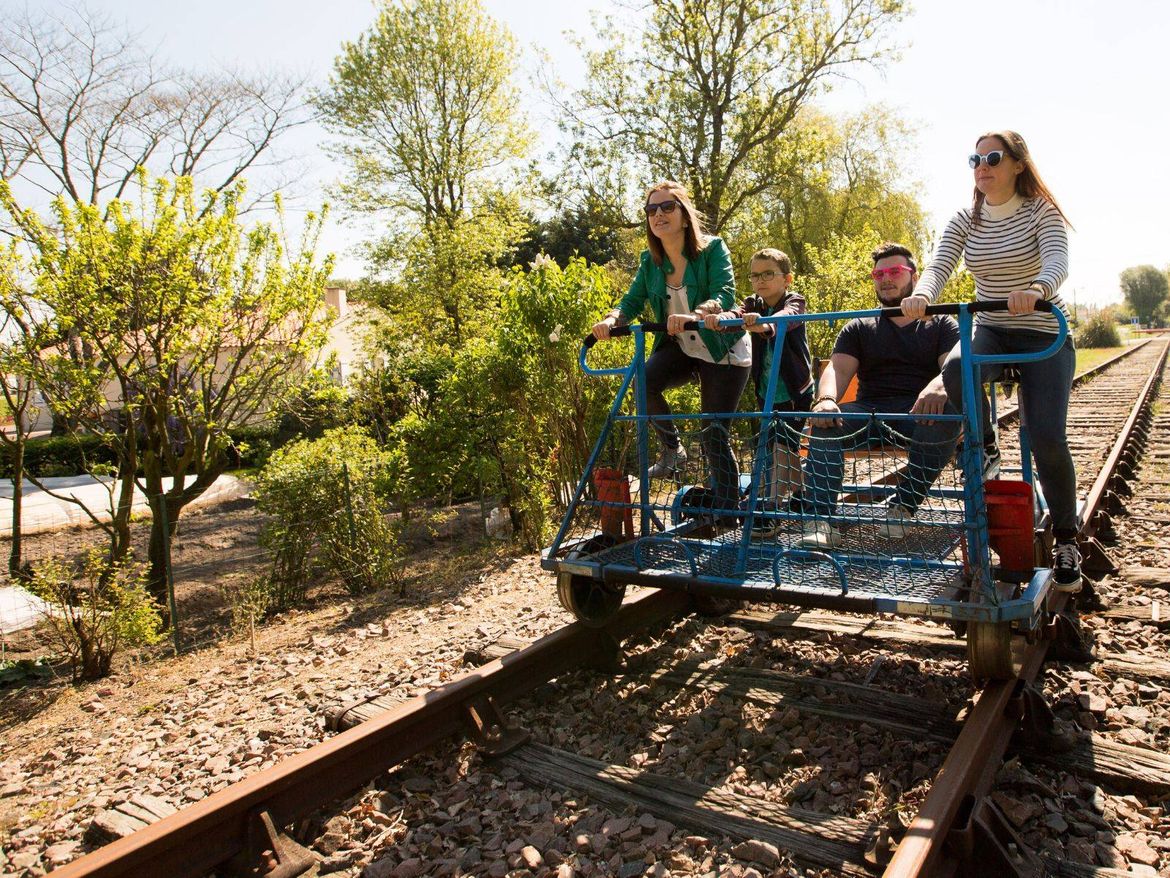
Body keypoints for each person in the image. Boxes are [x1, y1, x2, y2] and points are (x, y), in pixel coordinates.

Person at [900, 130, 1080, 592]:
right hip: (993, 329)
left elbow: (1058, 260)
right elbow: (941, 265)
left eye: (992, 157)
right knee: (959, 366)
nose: (982, 166)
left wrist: (1037, 290)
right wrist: (923, 294)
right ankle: (986, 447)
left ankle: (1066, 537)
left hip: (1043, 330)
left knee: (1047, 438)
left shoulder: (1042, 211)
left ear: (1018, 164)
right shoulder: (967, 217)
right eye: (974, 159)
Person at [591, 181, 750, 520]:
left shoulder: (712, 249)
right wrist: (612, 318)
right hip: (682, 345)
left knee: (713, 432)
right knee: (643, 379)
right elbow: (632, 300)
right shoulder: (650, 261)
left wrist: (697, 313)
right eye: (651, 210)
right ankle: (672, 448)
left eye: (667, 207)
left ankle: (728, 510)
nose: (658, 215)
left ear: (684, 213)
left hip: (721, 345)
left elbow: (724, 292)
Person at [800, 242, 961, 549]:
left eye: (895, 271)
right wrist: (825, 400)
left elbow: (951, 369)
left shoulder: (941, 323)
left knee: (948, 415)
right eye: (879, 273)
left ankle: (902, 507)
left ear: (914, 276)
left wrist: (940, 384)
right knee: (823, 424)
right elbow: (837, 369)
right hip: (869, 412)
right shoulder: (859, 326)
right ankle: (819, 520)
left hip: (917, 413)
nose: (886, 278)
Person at [704, 248, 814, 530]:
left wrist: (761, 324)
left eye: (768, 274)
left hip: (794, 390)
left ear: (786, 278)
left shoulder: (795, 300)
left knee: (779, 445)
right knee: (780, 447)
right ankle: (803, 496)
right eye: (755, 275)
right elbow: (736, 314)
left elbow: (785, 319)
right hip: (767, 390)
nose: (761, 280)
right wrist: (721, 319)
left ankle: (772, 507)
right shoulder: (753, 302)